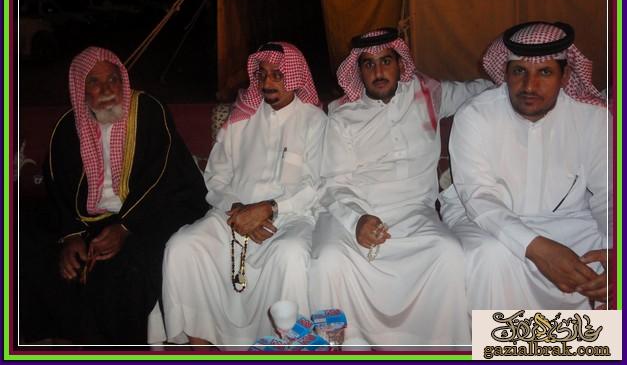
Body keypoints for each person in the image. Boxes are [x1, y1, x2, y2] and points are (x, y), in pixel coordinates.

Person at [309, 27, 492, 345]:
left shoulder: (428, 95)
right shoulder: (342, 116)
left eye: (386, 61)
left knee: (448, 253)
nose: (378, 71)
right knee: (328, 260)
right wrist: (357, 220)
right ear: (358, 71)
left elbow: (476, 90)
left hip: (414, 211)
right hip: (354, 212)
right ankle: (350, 347)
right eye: (368, 64)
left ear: (400, 63)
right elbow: (333, 183)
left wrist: (513, 79)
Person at [20, 46, 209, 344]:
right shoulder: (68, 127)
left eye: (113, 79)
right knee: (27, 245)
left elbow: (161, 176)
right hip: (93, 217)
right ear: (80, 88)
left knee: (126, 266)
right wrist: (70, 235)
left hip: (152, 211)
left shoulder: (147, 110)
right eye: (95, 82)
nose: (108, 90)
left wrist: (125, 226)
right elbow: (58, 184)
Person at [158, 42, 326, 346]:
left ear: (295, 77)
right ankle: (201, 346)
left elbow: (315, 186)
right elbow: (215, 177)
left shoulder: (315, 121)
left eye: (278, 75)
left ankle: (287, 345)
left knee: (291, 255)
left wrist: (268, 209)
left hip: (289, 219)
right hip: (231, 215)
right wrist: (237, 210)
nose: (267, 82)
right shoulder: (240, 118)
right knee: (182, 247)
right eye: (262, 74)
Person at [440, 21, 611, 311]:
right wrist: (537, 248)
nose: (529, 86)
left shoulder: (593, 117)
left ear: (565, 75)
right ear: (506, 72)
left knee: (604, 253)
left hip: (568, 219)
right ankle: (506, 340)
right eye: (519, 71)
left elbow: (610, 193)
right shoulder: (476, 115)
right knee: (490, 256)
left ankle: (575, 339)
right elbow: (479, 198)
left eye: (545, 72)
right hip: (484, 218)